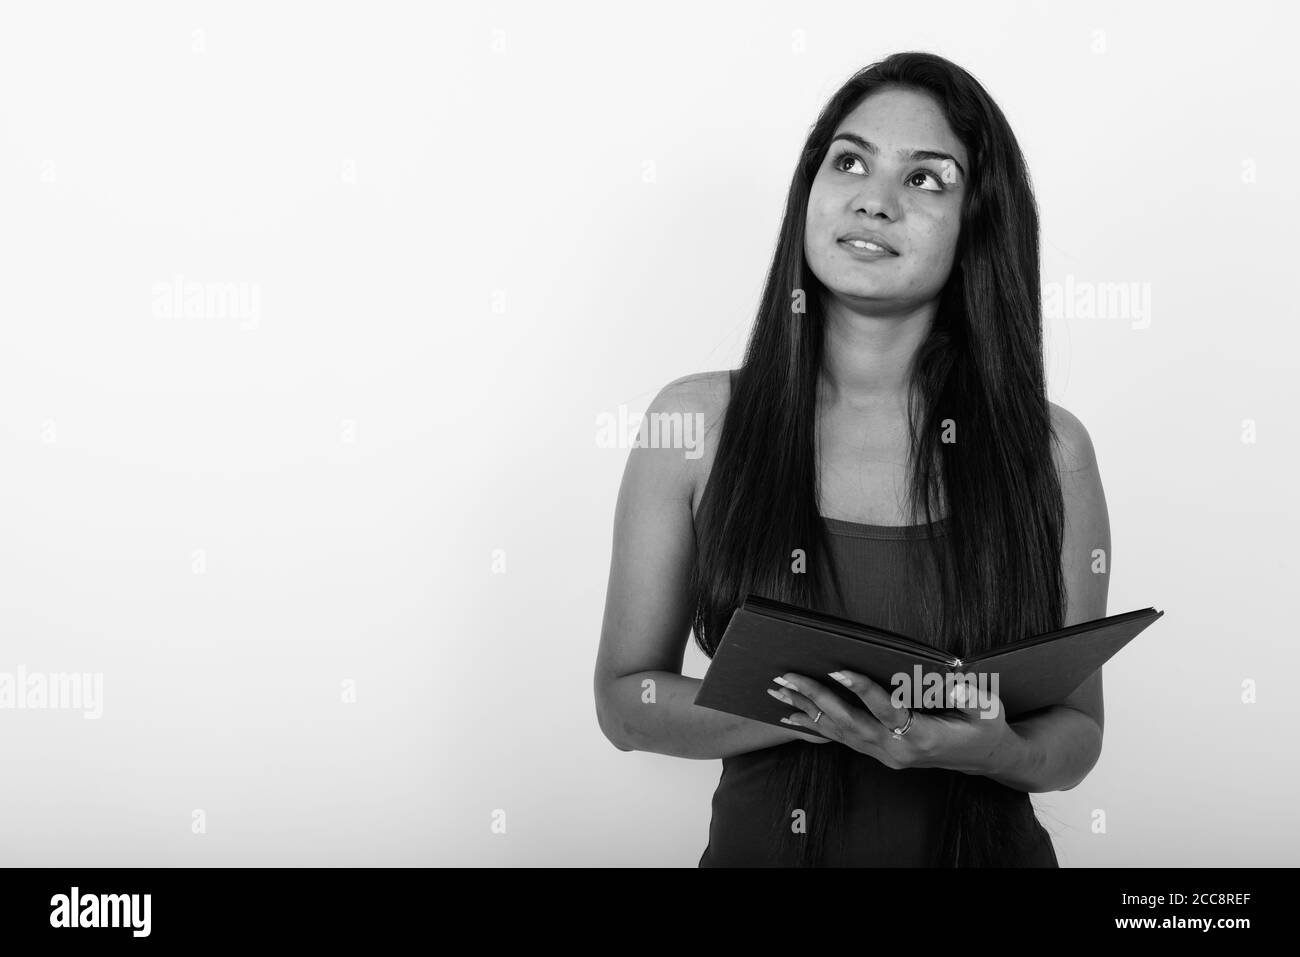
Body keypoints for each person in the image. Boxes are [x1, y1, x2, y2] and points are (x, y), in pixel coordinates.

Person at [592, 51, 1111, 867]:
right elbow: (627, 702)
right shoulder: (693, 423)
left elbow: (1077, 734)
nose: (874, 198)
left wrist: (985, 750)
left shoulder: (1053, 452)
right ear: (811, 190)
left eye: (926, 180)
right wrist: (834, 716)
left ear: (979, 219)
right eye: (850, 161)